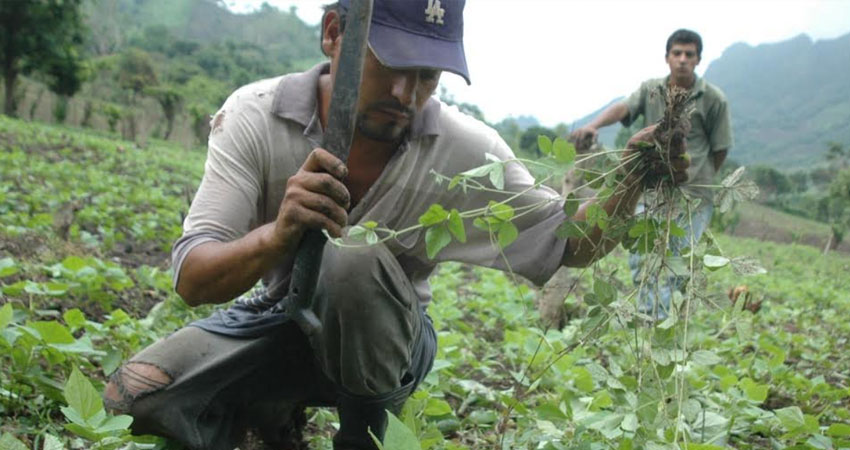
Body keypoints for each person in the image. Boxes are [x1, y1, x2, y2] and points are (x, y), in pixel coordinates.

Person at [103, 2, 688, 449]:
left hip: (389, 344)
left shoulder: (465, 150)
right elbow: (192, 278)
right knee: (134, 398)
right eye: (390, 66)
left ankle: (366, 436)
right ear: (334, 33)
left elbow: (572, 243)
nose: (407, 94)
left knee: (351, 258)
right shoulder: (257, 115)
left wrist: (633, 176)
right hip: (279, 318)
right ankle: (272, 415)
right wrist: (278, 234)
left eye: (428, 75)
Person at [571, 29, 733, 320]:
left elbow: (720, 149)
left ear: (698, 60)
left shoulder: (713, 99)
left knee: (678, 262)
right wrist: (594, 125)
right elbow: (624, 107)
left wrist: (699, 176)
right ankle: (648, 319)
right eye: (677, 53)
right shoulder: (651, 90)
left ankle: (668, 323)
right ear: (667, 57)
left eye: (689, 54)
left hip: (692, 195)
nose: (682, 60)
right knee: (641, 254)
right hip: (651, 189)